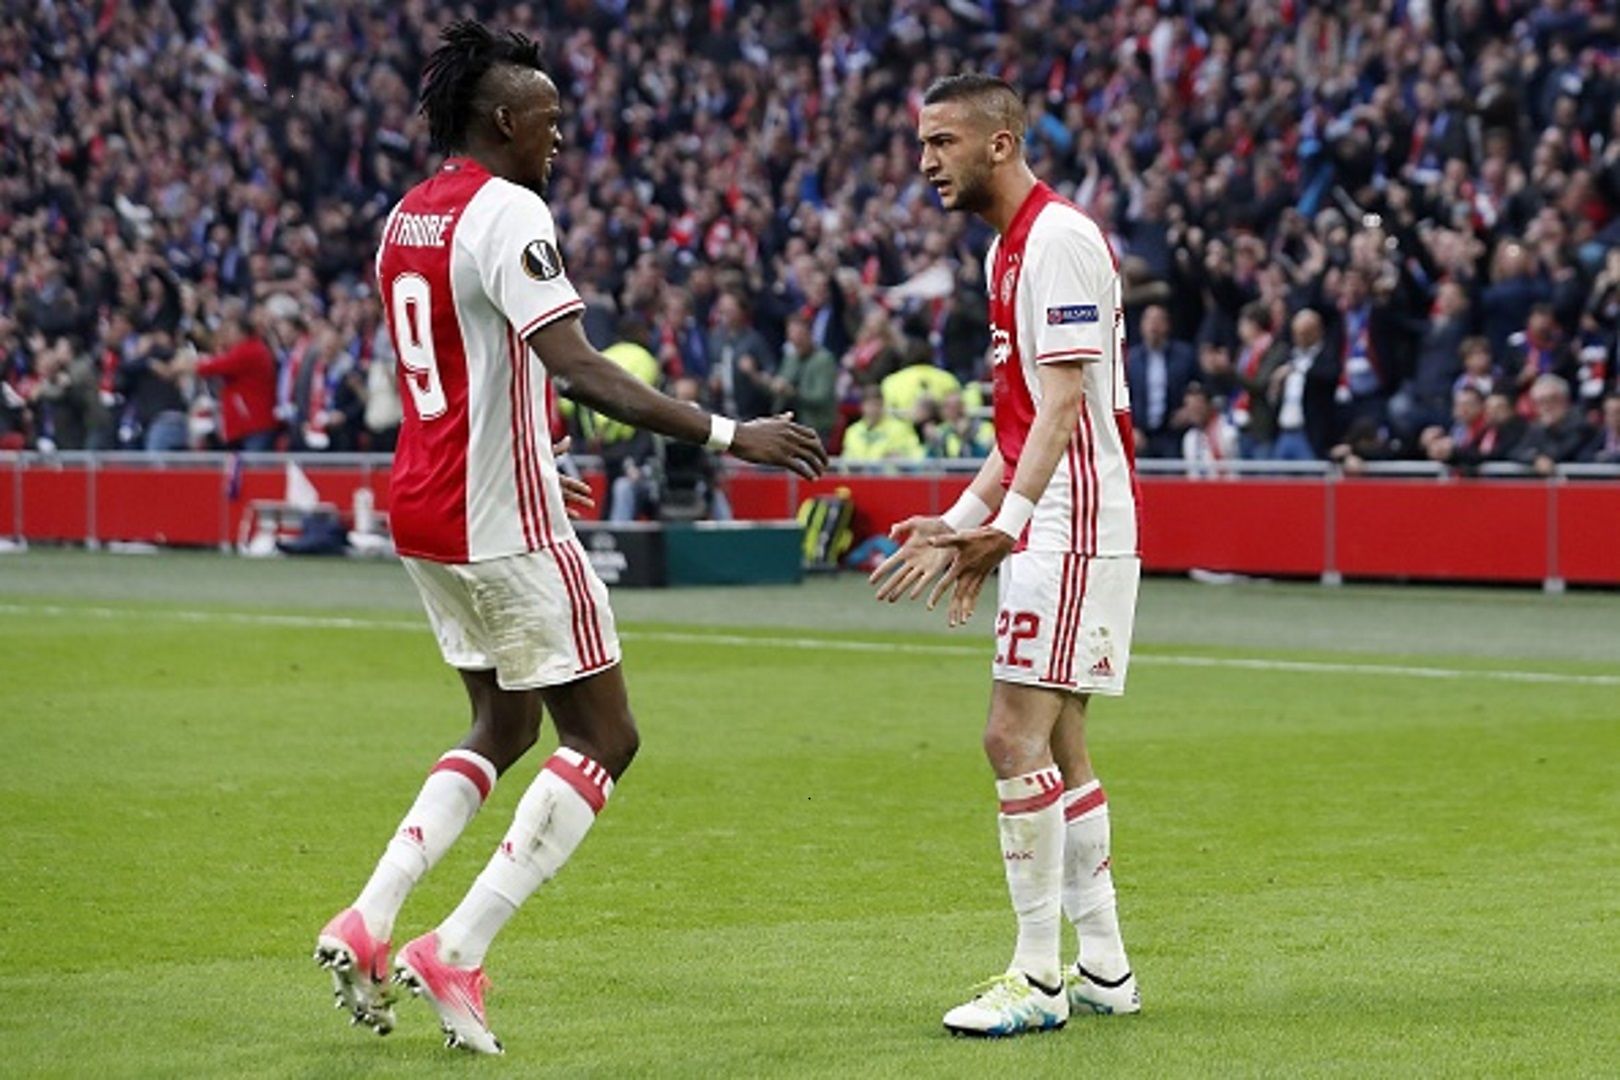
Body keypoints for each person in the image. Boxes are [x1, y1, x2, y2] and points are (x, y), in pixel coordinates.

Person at [313, 21, 826, 1056]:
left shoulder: (404, 216)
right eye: (549, 119)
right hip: (498, 519)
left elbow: (460, 377)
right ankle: (454, 946)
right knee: (607, 737)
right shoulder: (511, 212)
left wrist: (536, 457)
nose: (561, 136)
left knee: (501, 728)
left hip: (426, 506)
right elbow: (578, 367)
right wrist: (735, 435)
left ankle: (369, 916)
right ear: (505, 119)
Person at [870, 74, 1141, 1037]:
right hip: (1052, 516)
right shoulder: (1006, 250)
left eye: (941, 141)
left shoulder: (1058, 240)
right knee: (1061, 746)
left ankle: (1037, 978)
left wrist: (1012, 523)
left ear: (1000, 142)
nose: (926, 161)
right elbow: (1019, 418)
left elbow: (1067, 402)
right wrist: (960, 517)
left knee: (1009, 739)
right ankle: (1104, 967)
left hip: (1073, 520)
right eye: (922, 142)